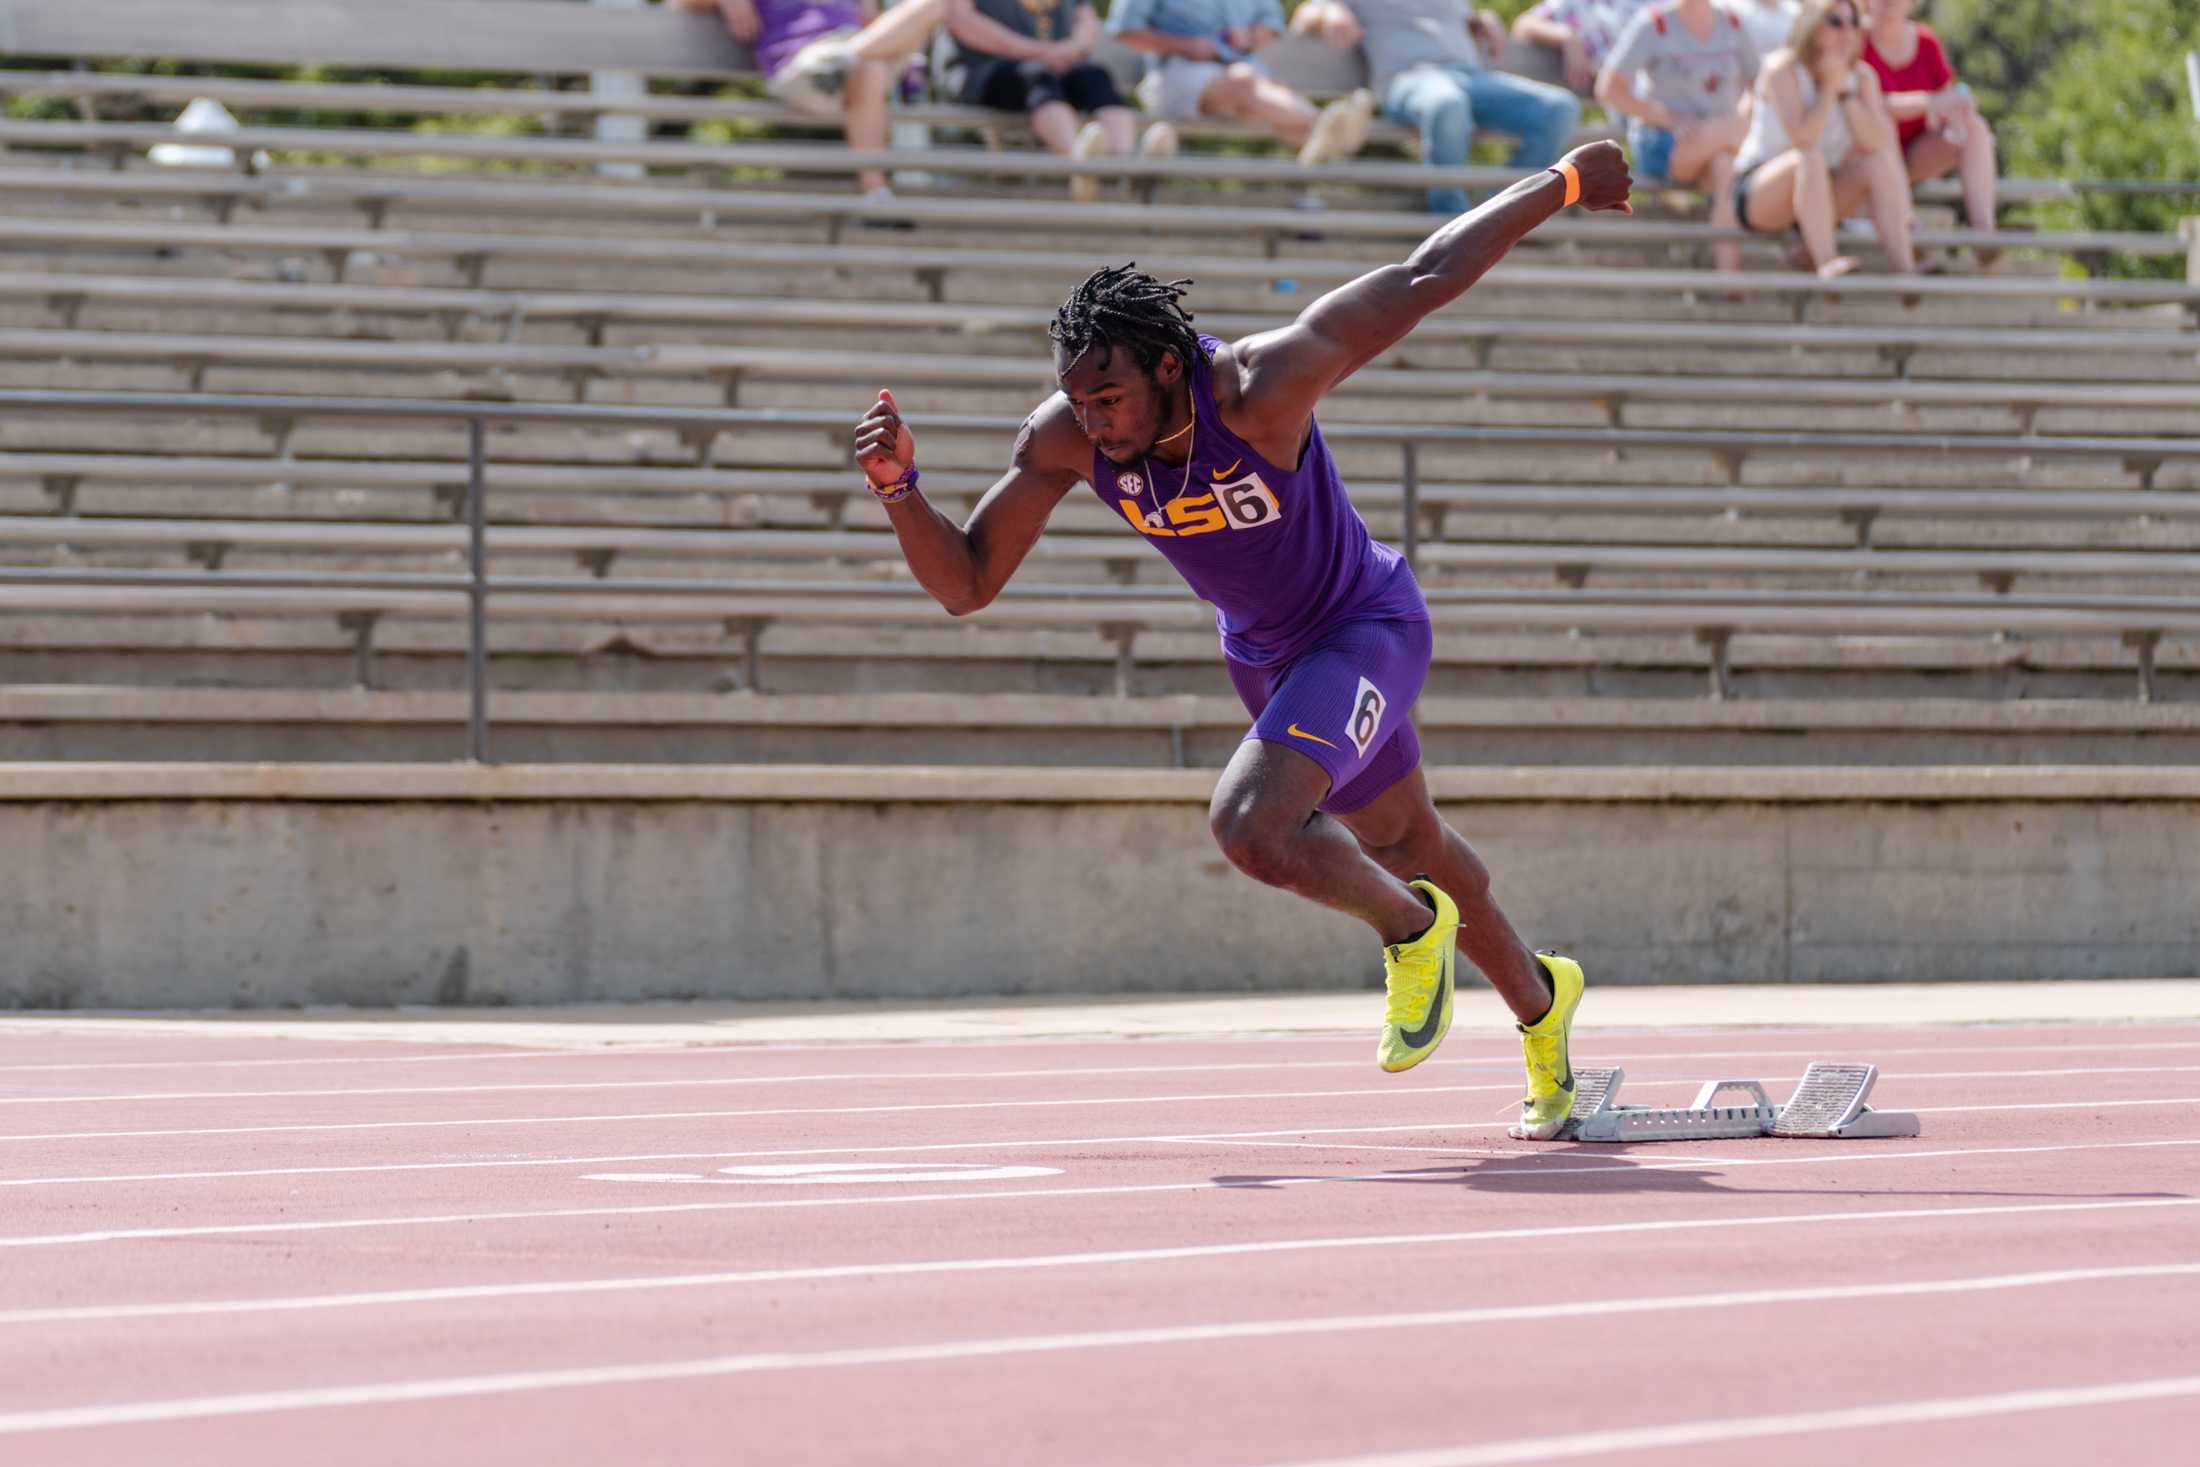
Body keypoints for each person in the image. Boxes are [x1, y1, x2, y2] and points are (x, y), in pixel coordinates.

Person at [851, 142, 1635, 1141]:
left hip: (1365, 628)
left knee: (1250, 828)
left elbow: (1426, 275)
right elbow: (965, 584)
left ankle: (1410, 931)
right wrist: (899, 491)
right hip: (1268, 661)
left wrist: (1560, 182)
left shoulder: (1263, 388)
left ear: (1169, 368)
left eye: (1110, 402)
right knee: (1408, 841)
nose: (1093, 425)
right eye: (1079, 402)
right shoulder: (1065, 439)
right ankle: (1541, 1004)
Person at [1294, 0, 1583, 215]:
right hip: (1408, 78)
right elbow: (1304, 16)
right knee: (1448, 103)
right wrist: (1328, 11)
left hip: (1470, 76)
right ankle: (1452, 222)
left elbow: (1454, 20)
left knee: (1559, 107)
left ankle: (1504, 212)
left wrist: (1482, 20)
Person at [678, 0, 945, 203]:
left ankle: (845, 57)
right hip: (800, 64)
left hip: (851, 63)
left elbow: (875, 24)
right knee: (867, 68)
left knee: (932, 7)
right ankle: (876, 191)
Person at [1732, 0, 1916, 278]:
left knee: (1876, 164)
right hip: (1763, 190)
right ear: (1812, 26)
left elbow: (1877, 143)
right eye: (1836, 22)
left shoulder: (1862, 77)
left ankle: (1906, 271)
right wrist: (1829, 89)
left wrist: (1847, 95)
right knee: (1810, 158)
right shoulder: (1782, 69)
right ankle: (1827, 262)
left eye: (1855, 23)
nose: (1848, 32)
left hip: (1820, 191)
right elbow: (1803, 139)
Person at [1109, 0, 1376, 170]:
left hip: (1245, 82)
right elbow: (1124, 31)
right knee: (1248, 84)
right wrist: (1188, 46)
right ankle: (1324, 126)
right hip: (1176, 76)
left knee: (1261, 95)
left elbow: (1270, 25)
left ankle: (1318, 137)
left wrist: (1250, 36)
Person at [940, 0, 1159, 202]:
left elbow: (1086, 20)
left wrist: (1074, 49)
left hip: (1057, 65)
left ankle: (1128, 165)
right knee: (1037, 78)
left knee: (1096, 78)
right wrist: (1038, 51)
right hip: (987, 70)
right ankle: (1079, 163)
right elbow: (962, 21)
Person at [1596, 1, 1757, 273]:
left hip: (1718, 142)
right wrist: (1669, 118)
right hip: (1662, 142)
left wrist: (1734, 119)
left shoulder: (1733, 23)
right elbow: (1609, 88)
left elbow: (1758, 85)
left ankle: (1730, 279)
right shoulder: (1653, 23)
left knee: (1723, 166)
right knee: (1737, 142)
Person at [1859, 0, 1998, 267]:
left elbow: (1946, 99)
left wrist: (1958, 111)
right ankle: (1904, 223)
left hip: (1915, 154)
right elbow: (1869, 107)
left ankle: (1984, 234)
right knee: (1883, 124)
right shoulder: (1854, 39)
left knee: (1976, 129)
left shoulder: (1925, 41)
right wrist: (1927, 102)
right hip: (1869, 156)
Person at [1510, 0, 1656, 95]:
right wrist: (1567, 37)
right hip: (1627, 97)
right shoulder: (1575, 3)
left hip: (1661, 91)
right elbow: (1524, 25)